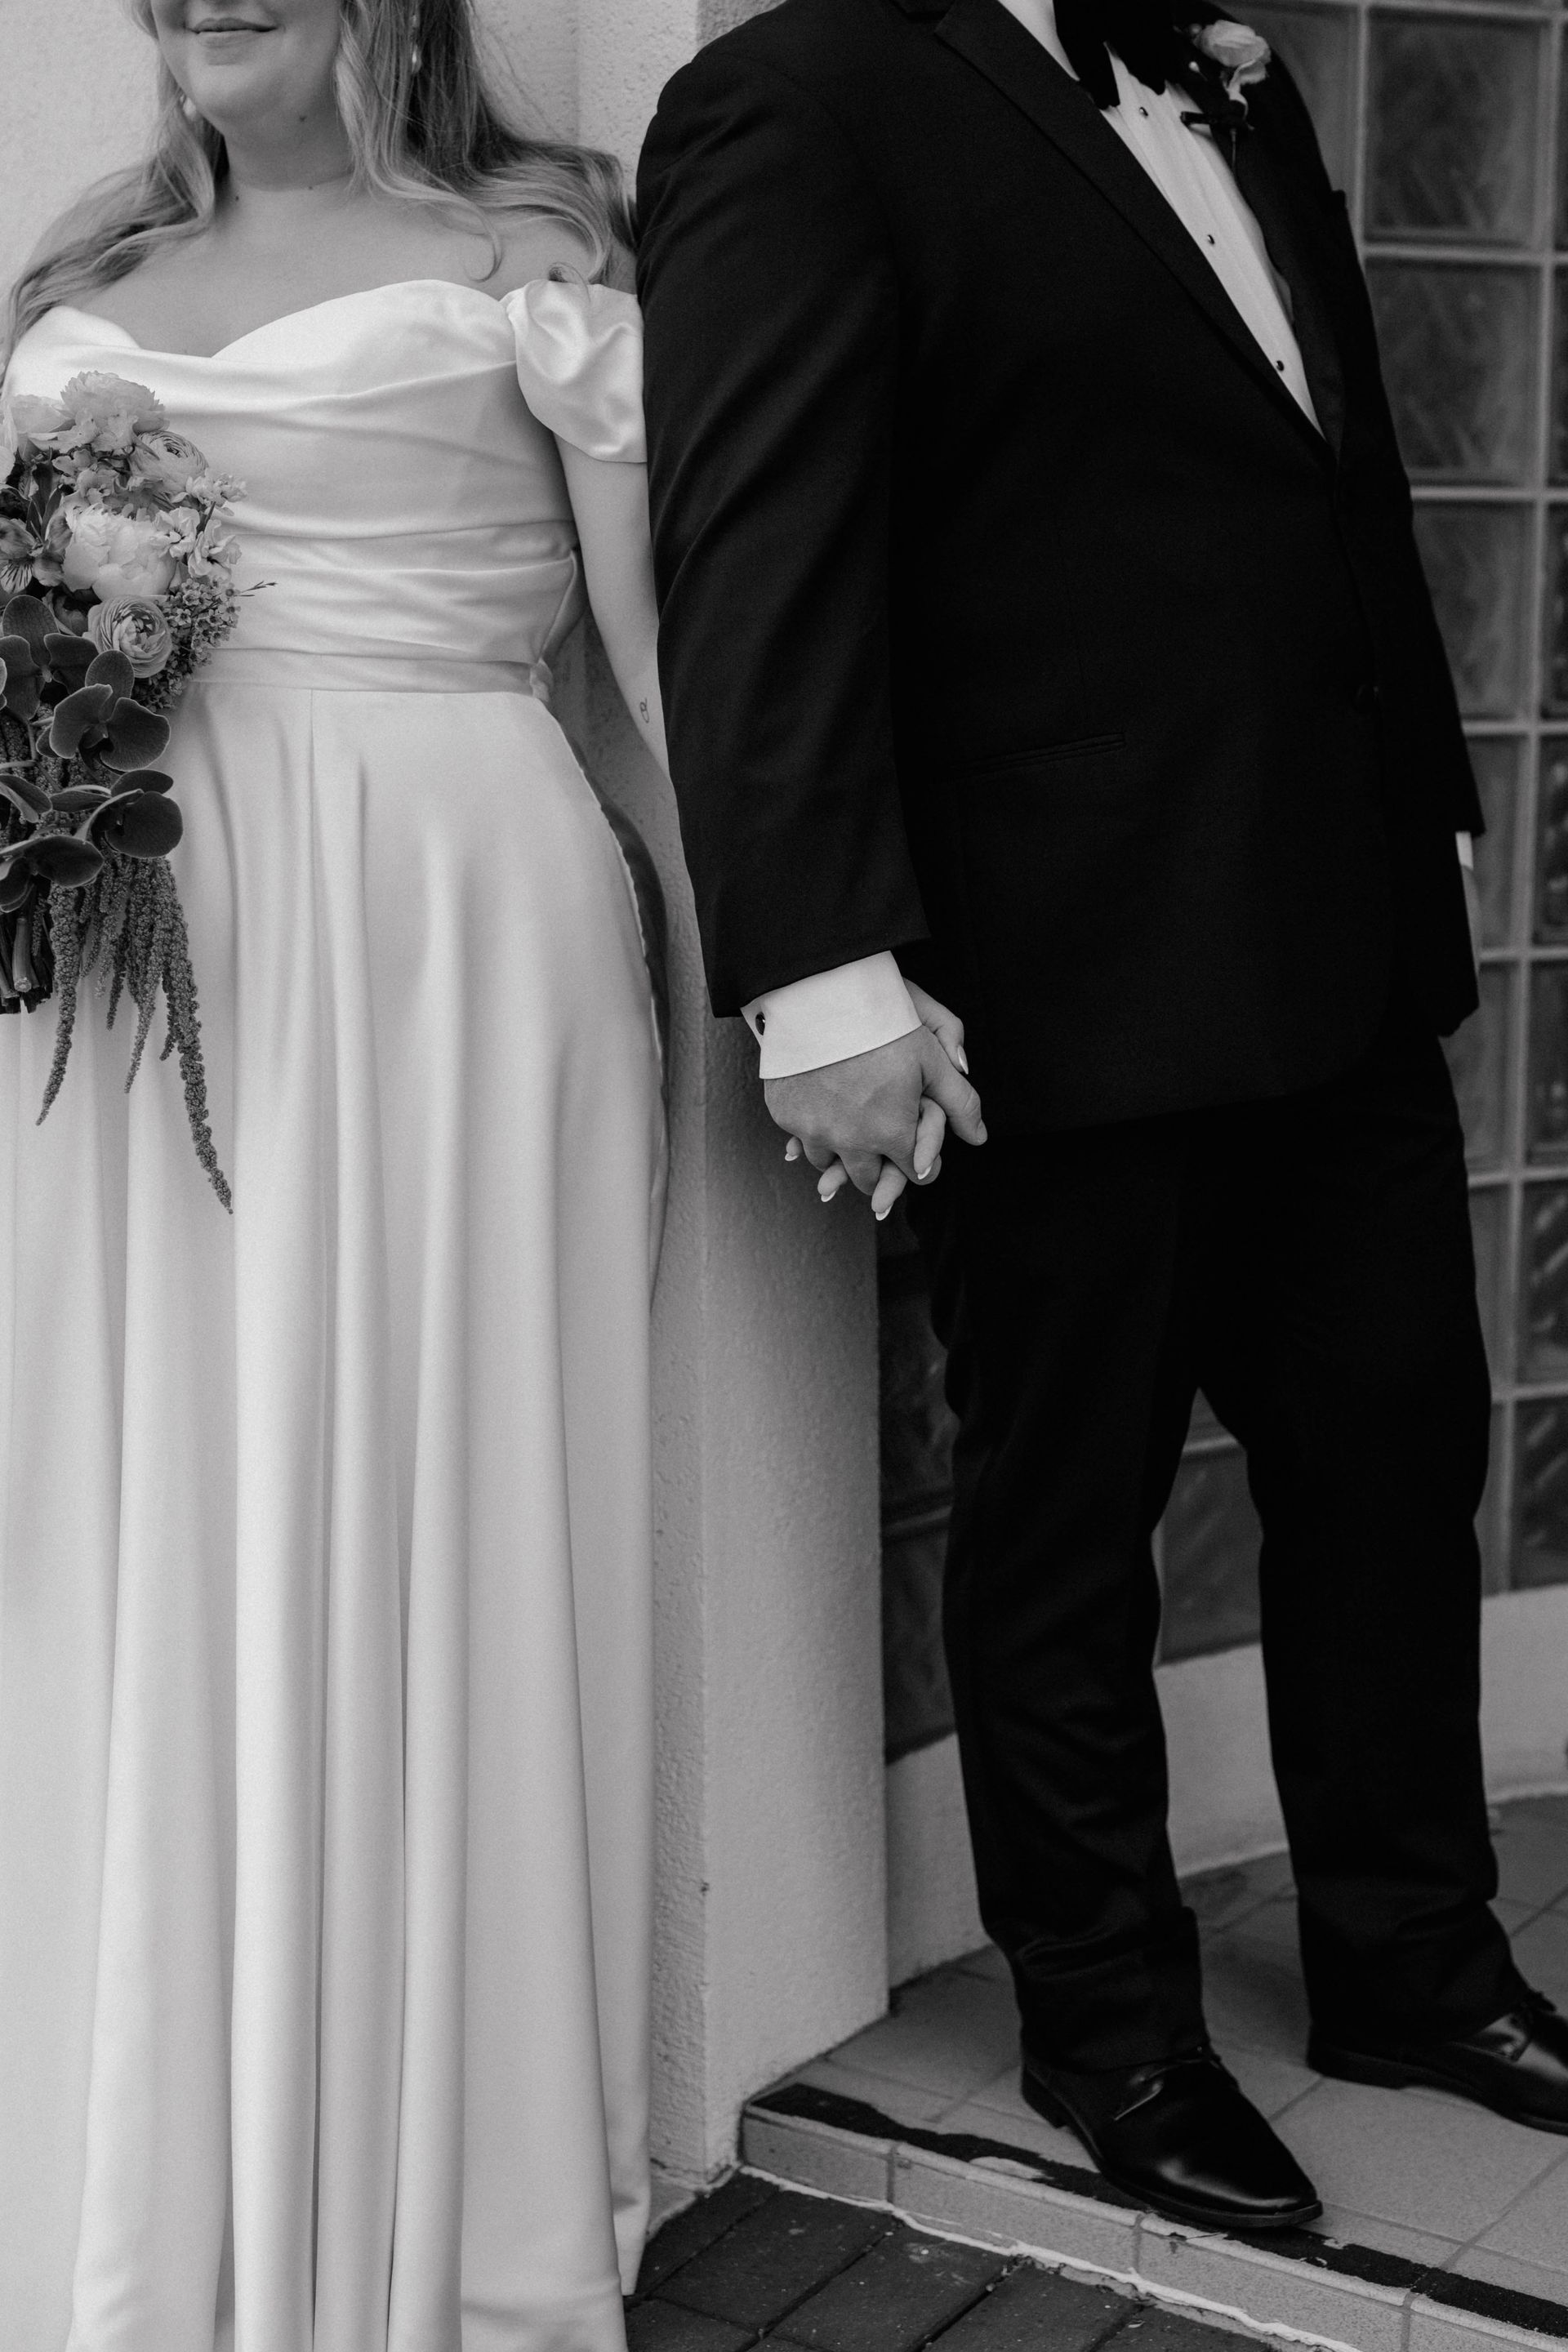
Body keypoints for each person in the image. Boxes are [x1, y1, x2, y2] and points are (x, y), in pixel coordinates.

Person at [637, 0, 1568, 2235]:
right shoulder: (800, 96)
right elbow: (756, 554)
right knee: (1068, 1528)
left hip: (1330, 945)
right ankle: (1114, 2030)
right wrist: (821, 976)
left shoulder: (1230, 71)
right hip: (1047, 982)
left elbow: (1340, 471)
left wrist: (1423, 817)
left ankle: (1415, 1964)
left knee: (1392, 1466)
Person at [0, 2, 667, 2344]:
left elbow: (662, 676)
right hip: (128, 970)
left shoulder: (534, 255)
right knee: (138, 1514)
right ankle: (145, 2180)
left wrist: (819, 985)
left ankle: (426, 2205)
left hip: (442, 933)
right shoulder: (75, 274)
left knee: (429, 1497)